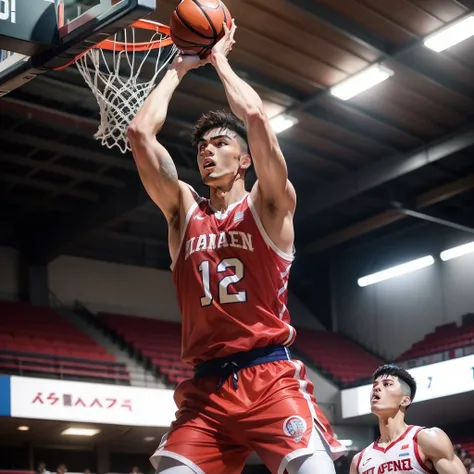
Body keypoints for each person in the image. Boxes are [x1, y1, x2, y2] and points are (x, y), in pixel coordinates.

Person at [128, 20, 345, 474]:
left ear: (244, 159)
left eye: (220, 143)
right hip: (206, 389)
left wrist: (218, 58)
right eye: (203, 146)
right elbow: (140, 135)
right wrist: (179, 66)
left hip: (269, 378)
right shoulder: (183, 209)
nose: (208, 151)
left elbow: (257, 118)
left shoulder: (268, 203)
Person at [350, 363, 466, 474]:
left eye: (387, 384)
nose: (376, 388)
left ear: (405, 400)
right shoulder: (359, 461)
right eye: (375, 385)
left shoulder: (427, 439)